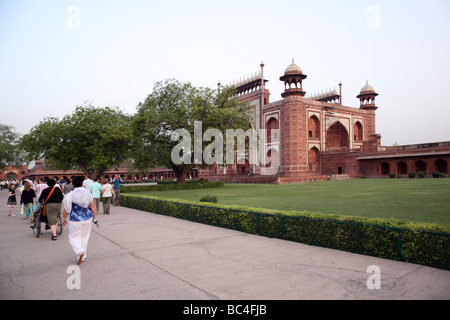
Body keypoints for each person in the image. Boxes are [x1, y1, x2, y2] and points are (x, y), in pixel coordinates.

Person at [62, 176, 98, 265]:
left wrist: (64, 218)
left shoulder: (70, 195)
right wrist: (94, 217)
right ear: (82, 184)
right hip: (87, 218)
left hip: (75, 219)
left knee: (73, 238)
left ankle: (79, 252)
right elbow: (92, 206)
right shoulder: (88, 194)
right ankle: (82, 256)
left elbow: (66, 209)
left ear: (73, 184)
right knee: (84, 237)